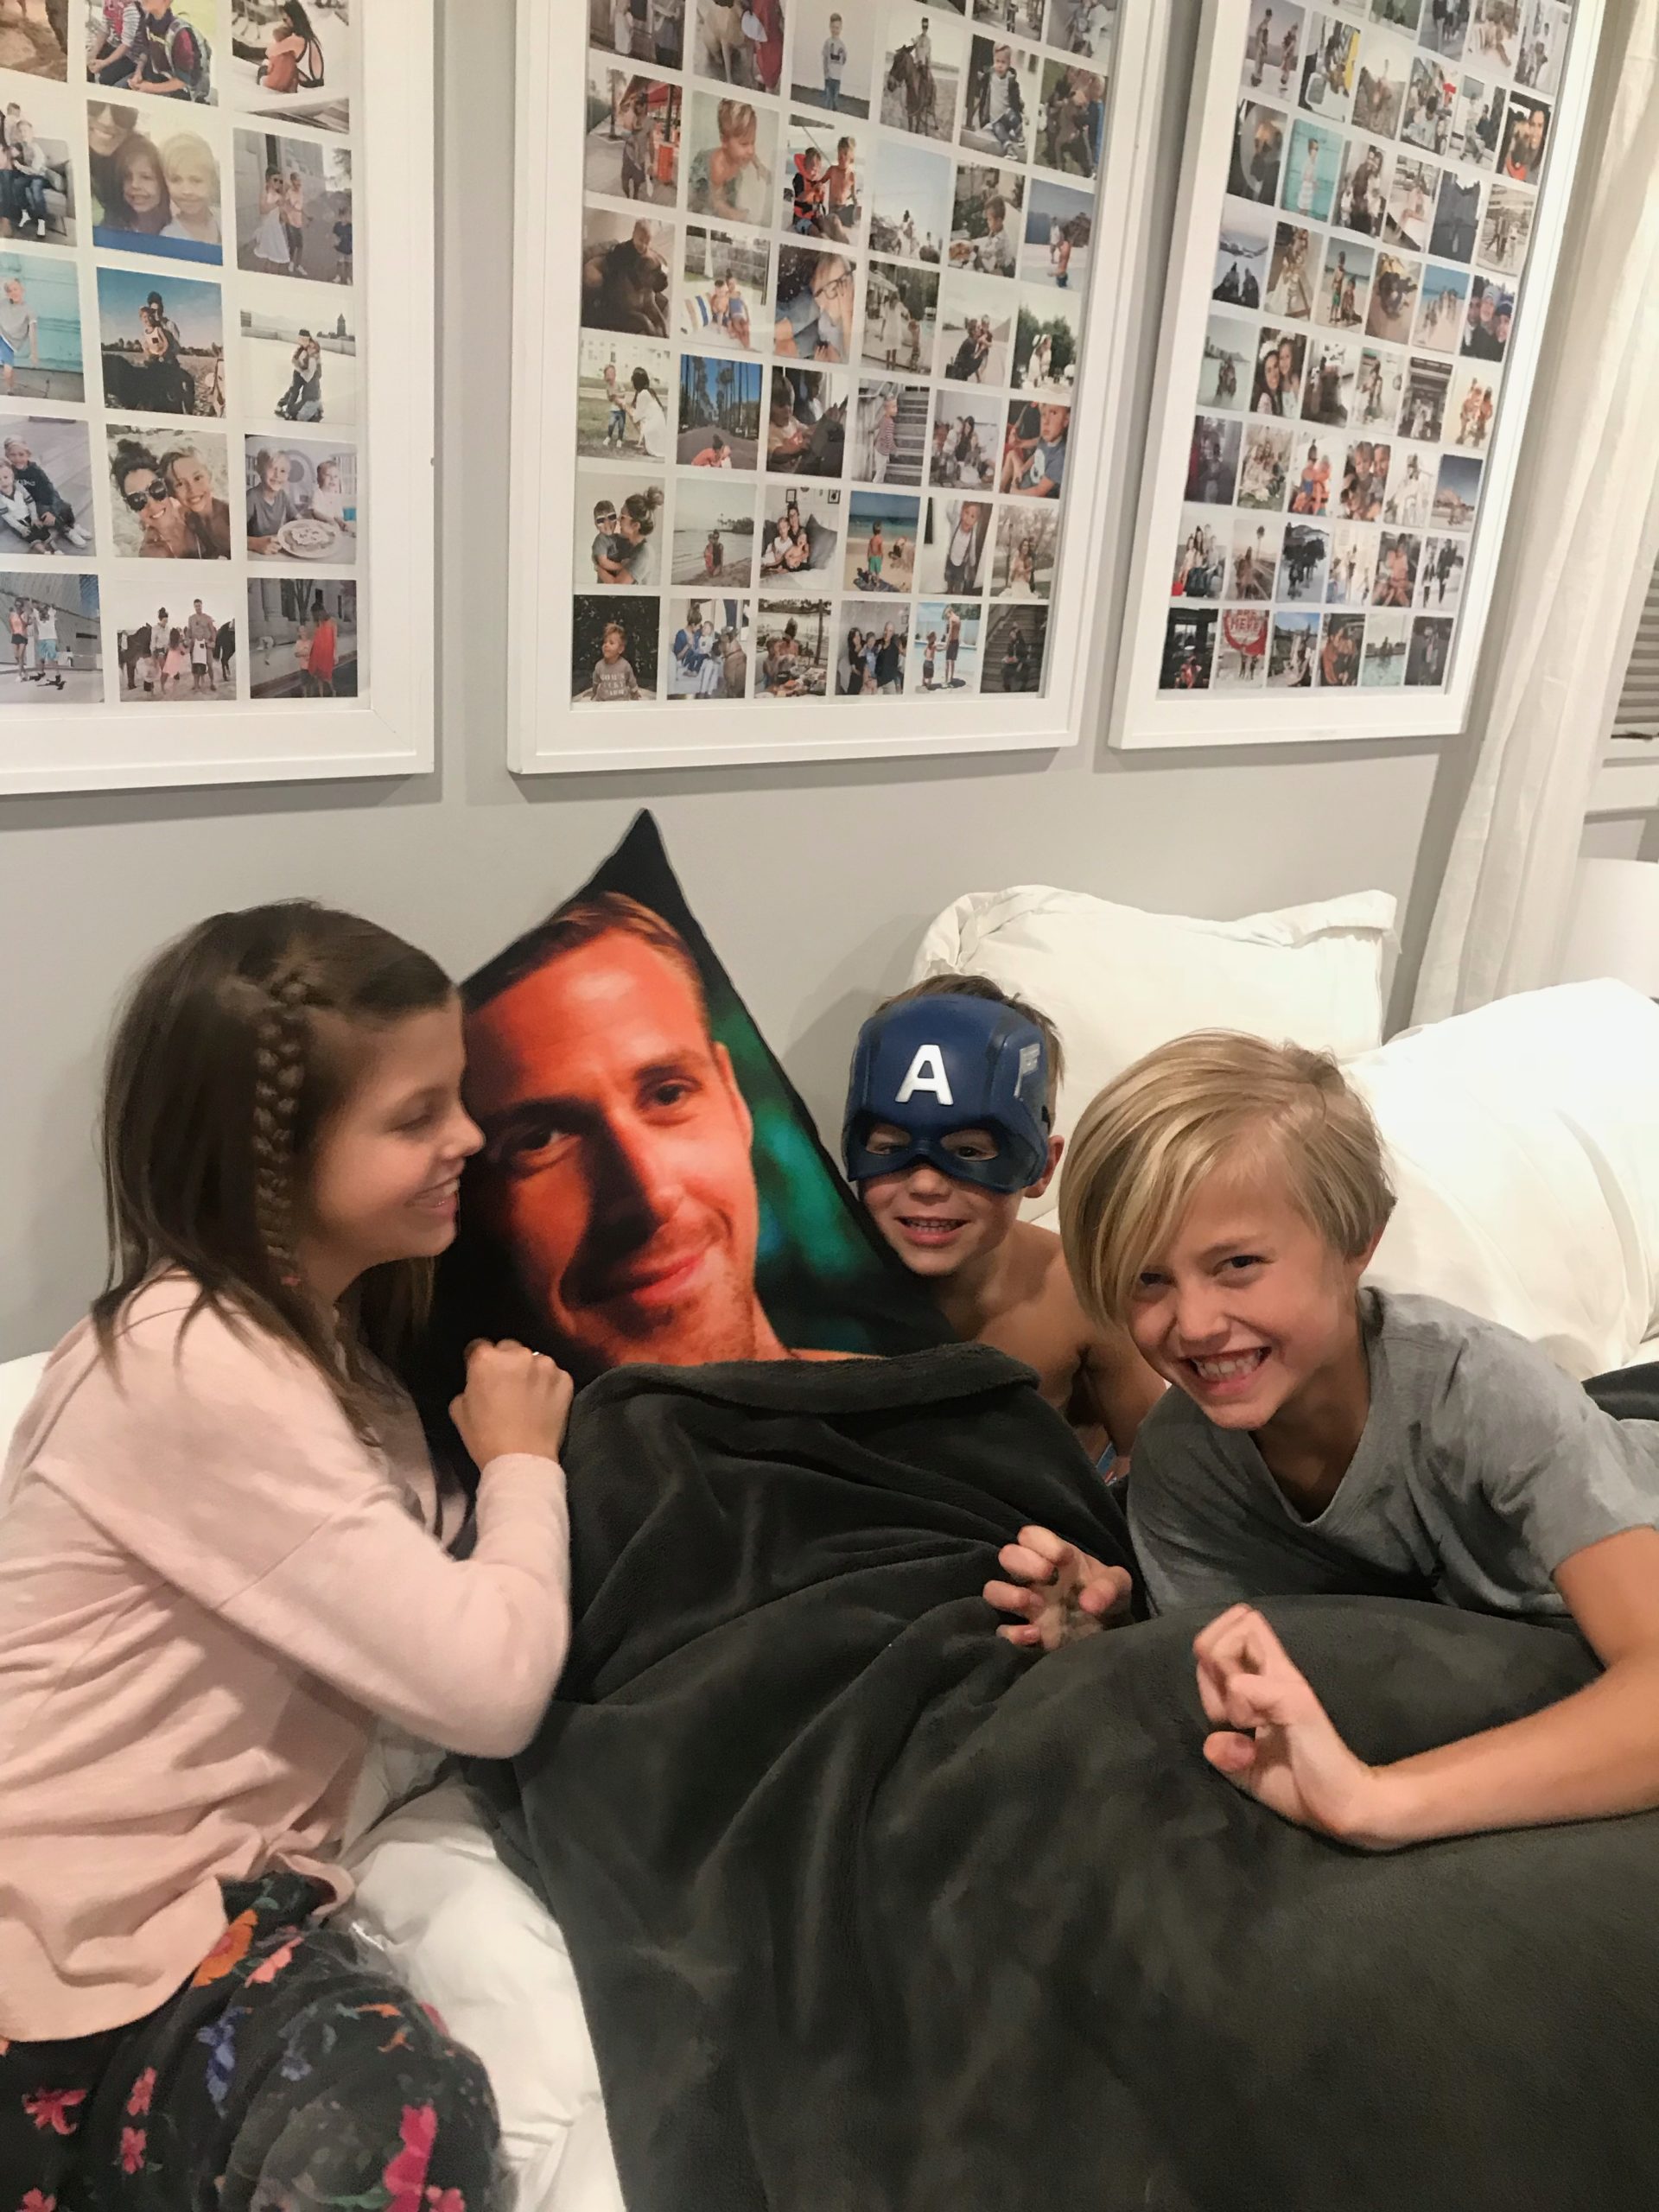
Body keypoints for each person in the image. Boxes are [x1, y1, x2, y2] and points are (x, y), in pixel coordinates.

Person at [0, 904, 573, 2208]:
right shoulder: (186, 1361)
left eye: (460, 1098)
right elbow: (487, 1687)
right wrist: (524, 1464)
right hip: (65, 1959)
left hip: (197, 1945)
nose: (468, 1139)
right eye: (416, 1116)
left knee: (400, 2104)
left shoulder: (331, 1366)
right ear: (271, 1165)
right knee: (396, 2116)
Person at [989, 1033, 1659, 1855]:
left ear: (1357, 1244)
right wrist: (1117, 1637)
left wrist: (1380, 1802)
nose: (1193, 1324)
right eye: (1146, 1279)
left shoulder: (1480, 1391)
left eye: (1238, 1263)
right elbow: (1252, 1683)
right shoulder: (1183, 1463)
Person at [845, 979, 1166, 1458]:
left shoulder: (1077, 1290)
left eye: (969, 1152)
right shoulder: (811, 1290)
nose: (926, 1185)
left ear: (1041, 1168)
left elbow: (1151, 1456)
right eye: (891, 1148)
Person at [111, 434, 194, 557]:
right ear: (129, 506)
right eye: (137, 500)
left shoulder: (196, 513)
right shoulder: (151, 553)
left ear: (165, 484)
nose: (152, 505)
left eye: (156, 489)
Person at [4, 432, 88, 549]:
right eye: (12, 455)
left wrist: (51, 509)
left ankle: (73, 525)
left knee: (64, 507)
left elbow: (47, 489)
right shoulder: (10, 472)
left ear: (28, 454)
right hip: (29, 503)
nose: (17, 459)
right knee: (45, 514)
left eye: (21, 454)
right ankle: (66, 530)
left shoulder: (35, 470)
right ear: (7, 456)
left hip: (44, 497)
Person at [688, 98, 766, 224]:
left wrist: (759, 166)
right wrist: (734, 215)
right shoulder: (718, 167)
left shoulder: (742, 154)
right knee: (702, 203)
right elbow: (717, 202)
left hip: (727, 174)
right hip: (705, 173)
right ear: (724, 141)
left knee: (730, 194)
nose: (751, 150)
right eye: (744, 144)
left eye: (753, 142)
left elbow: (753, 156)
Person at [132, 0, 211, 99]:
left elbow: (184, 80)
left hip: (181, 92)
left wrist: (151, 88)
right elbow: (146, 51)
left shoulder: (181, 34)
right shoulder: (148, 22)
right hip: (155, 78)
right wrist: (138, 73)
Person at [159, 128, 219, 244]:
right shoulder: (168, 236)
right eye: (176, 180)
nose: (186, 191)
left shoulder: (225, 219)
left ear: (211, 181)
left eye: (196, 180)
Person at [6, 117, 52, 237]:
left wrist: (19, 166)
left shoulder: (36, 148)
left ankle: (41, 221)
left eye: (25, 131)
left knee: (35, 187)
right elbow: (11, 152)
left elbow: (35, 171)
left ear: (32, 132)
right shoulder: (23, 146)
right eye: (20, 131)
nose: (23, 134)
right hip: (29, 175)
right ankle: (25, 214)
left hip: (41, 176)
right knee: (17, 184)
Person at [589, 616, 643, 700]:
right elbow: (596, 682)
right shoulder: (599, 666)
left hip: (621, 701)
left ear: (620, 649)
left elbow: (631, 680)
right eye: (605, 642)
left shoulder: (625, 665)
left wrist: (635, 692)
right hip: (603, 701)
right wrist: (594, 692)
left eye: (611, 643)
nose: (606, 645)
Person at [91, 0, 144, 83]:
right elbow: (105, 29)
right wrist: (92, 54)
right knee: (87, 65)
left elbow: (127, 44)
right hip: (116, 44)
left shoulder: (131, 9)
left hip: (133, 55)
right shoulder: (109, 3)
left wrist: (105, 63)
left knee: (105, 79)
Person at [305, 590, 338, 695]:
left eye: (316, 613)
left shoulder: (332, 621)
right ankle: (321, 695)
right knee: (318, 675)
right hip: (317, 652)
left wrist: (335, 654)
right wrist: (308, 652)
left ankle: (333, 691)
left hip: (327, 652)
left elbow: (334, 638)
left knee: (327, 675)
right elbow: (313, 639)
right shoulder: (316, 623)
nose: (315, 615)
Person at [822, 11, 847, 106]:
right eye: (833, 27)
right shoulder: (828, 43)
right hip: (829, 77)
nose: (835, 30)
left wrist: (839, 67)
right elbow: (825, 58)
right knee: (828, 98)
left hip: (837, 78)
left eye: (837, 28)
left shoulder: (842, 45)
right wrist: (826, 73)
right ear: (830, 27)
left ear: (841, 28)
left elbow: (844, 60)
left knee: (835, 99)